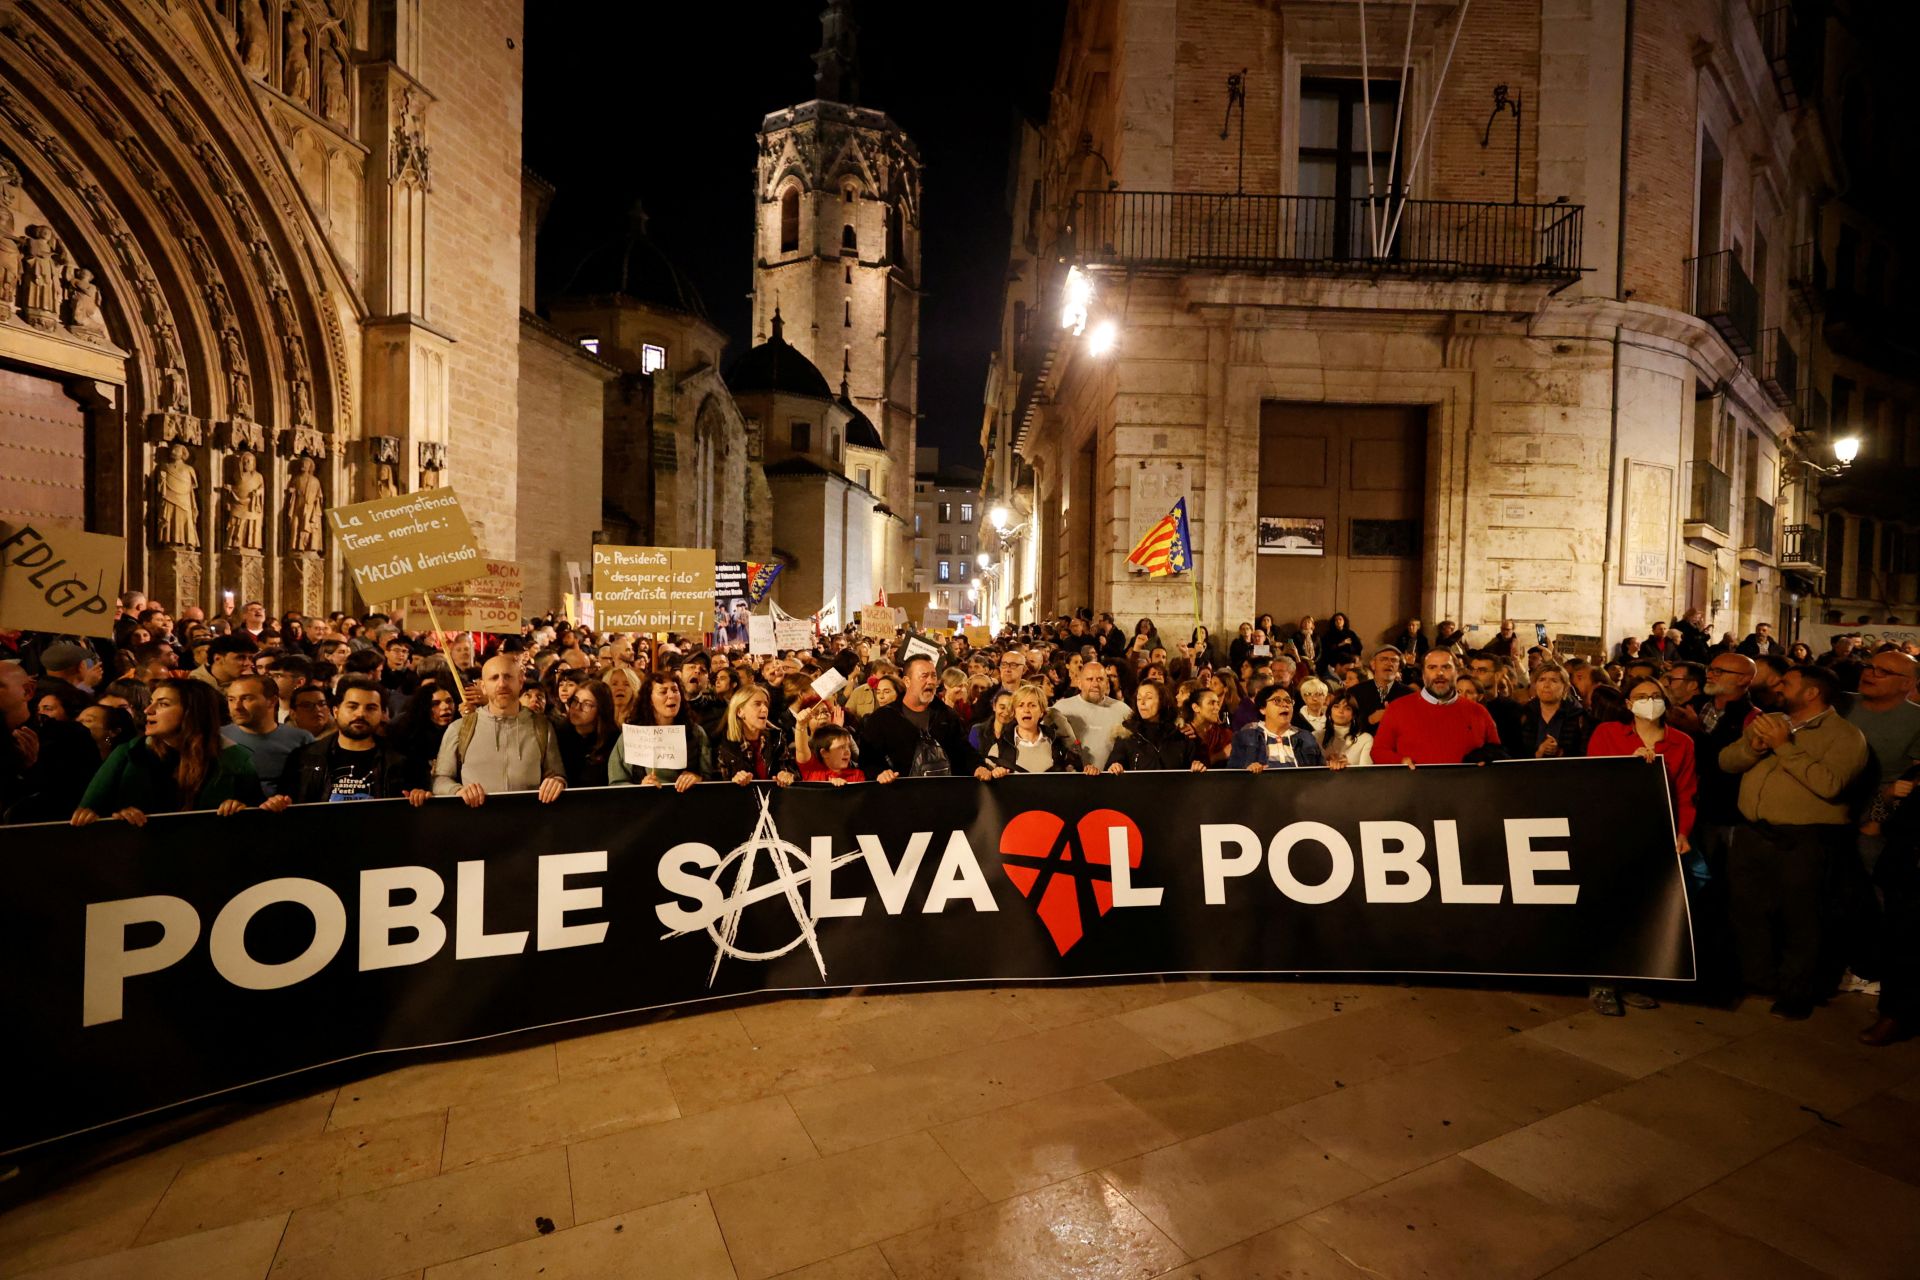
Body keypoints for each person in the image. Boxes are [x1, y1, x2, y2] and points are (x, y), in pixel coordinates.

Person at [1718, 664, 1871, 1019]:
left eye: (1787, 682)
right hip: (1753, 835)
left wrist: (1784, 748)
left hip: (1805, 840)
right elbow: (1726, 761)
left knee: (1802, 919)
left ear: (1812, 693)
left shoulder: (1845, 736)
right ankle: (1759, 980)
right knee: (1748, 911)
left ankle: (1797, 992)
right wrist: (1754, 748)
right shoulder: (1769, 721)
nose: (1778, 686)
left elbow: (1830, 784)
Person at [1584, 677, 1699, 1016]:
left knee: (1644, 909)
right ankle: (1602, 981)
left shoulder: (1682, 743)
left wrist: (1683, 832)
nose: (1648, 701)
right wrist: (1628, 768)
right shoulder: (1607, 734)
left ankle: (1634, 977)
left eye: (1655, 696)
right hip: (1613, 831)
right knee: (1609, 906)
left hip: (1657, 833)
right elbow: (1593, 779)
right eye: (1640, 696)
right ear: (1628, 703)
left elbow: (1687, 793)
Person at [72, 679, 264, 824]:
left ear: (192, 712)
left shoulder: (234, 758)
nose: (148, 710)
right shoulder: (129, 753)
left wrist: (239, 809)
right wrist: (115, 819)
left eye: (163, 704)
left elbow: (257, 820)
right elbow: (87, 813)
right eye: (151, 702)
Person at [430, 654, 567, 807]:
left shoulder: (542, 726)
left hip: (531, 822)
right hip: (477, 823)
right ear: (483, 686)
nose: (502, 684)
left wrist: (556, 782)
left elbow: (556, 773)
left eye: (508, 677)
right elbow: (439, 779)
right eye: (494, 678)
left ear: (520, 681)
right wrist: (457, 790)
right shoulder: (459, 728)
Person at [279, 677, 428, 805]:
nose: (360, 714)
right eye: (352, 706)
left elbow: (419, 804)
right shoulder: (304, 758)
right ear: (336, 711)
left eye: (370, 708)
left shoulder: (404, 759)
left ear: (383, 714)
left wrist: (420, 796)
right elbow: (287, 805)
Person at [858, 653, 978, 778]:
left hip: (942, 793)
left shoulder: (947, 716)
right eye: (924, 676)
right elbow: (867, 761)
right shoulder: (882, 718)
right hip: (899, 794)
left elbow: (964, 751)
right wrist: (880, 773)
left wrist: (978, 767)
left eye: (933, 676)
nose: (931, 681)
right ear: (907, 681)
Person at [1374, 651, 1503, 765]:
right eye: (1432, 667)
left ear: (1457, 672)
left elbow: (1496, 750)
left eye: (1446, 667)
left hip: (1467, 788)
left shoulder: (1478, 711)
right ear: (1423, 674)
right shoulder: (1398, 708)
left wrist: (1486, 756)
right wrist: (1400, 761)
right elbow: (1378, 752)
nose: (1439, 673)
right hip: (1415, 789)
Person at [609, 672, 708, 790]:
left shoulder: (696, 733)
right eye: (663, 692)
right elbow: (616, 783)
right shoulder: (630, 735)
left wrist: (698, 779)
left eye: (675, 690)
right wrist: (639, 788)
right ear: (649, 699)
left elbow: (709, 778)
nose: (671, 695)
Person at [220, 674, 314, 796]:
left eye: (246, 698)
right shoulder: (217, 738)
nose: (236, 707)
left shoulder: (302, 739)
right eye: (231, 699)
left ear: (272, 701)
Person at [978, 682, 1084, 777]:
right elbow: (986, 784)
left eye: (1032, 705)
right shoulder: (998, 750)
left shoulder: (1057, 746)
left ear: (1042, 712)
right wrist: (993, 774)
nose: (1026, 710)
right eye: (1020, 705)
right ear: (1014, 712)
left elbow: (1074, 780)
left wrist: (1088, 771)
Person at [1229, 684, 1332, 771]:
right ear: (1262, 709)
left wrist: (1333, 765)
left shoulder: (1306, 738)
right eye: (1277, 701)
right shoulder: (1245, 737)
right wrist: (1247, 770)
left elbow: (1320, 774)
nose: (1285, 705)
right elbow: (1232, 776)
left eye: (1288, 701)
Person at [1049, 659, 1128, 771]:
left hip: (1110, 782)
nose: (1095, 684)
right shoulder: (1061, 709)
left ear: (1106, 684)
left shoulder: (1123, 710)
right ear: (1080, 683)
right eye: (1090, 679)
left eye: (1100, 679)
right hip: (1071, 782)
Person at [1109, 680, 1202, 772]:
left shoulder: (1180, 734)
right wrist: (1115, 767)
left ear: (1162, 701)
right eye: (1139, 698)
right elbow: (1113, 767)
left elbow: (1193, 771)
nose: (1142, 703)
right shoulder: (1127, 734)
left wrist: (1196, 767)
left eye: (1148, 698)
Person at [715, 684, 795, 785]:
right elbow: (717, 784)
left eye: (766, 704)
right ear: (740, 712)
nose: (765, 709)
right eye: (757, 704)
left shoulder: (777, 738)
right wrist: (734, 781)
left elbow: (794, 771)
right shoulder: (723, 743)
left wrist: (787, 775)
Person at [1514, 663, 1588, 759]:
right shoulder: (1524, 713)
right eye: (1541, 680)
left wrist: (1560, 752)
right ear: (1535, 685)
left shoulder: (1578, 715)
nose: (1546, 685)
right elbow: (1515, 751)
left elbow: (1583, 753)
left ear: (1565, 687)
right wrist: (1538, 753)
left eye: (1554, 680)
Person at [556, 677, 620, 788]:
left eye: (587, 704)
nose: (577, 708)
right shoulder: (559, 733)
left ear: (601, 710)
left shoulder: (613, 739)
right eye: (575, 701)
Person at [1352, 648, 1412, 729]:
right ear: (1373, 665)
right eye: (1383, 659)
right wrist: (1370, 720)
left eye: (1394, 660)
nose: (1389, 663)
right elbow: (1347, 723)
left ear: (1398, 667)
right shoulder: (1355, 692)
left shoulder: (1409, 695)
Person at [1319, 688, 1375, 765]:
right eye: (1336, 706)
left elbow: (1366, 774)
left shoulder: (1365, 739)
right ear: (1329, 711)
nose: (1341, 711)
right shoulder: (1316, 736)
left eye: (1347, 708)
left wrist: (1349, 766)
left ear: (1354, 714)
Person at [969, 688, 1014, 758]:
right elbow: (971, 759)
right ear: (994, 706)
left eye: (1011, 709)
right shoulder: (977, 730)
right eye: (1002, 707)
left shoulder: (1018, 734)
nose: (1006, 712)